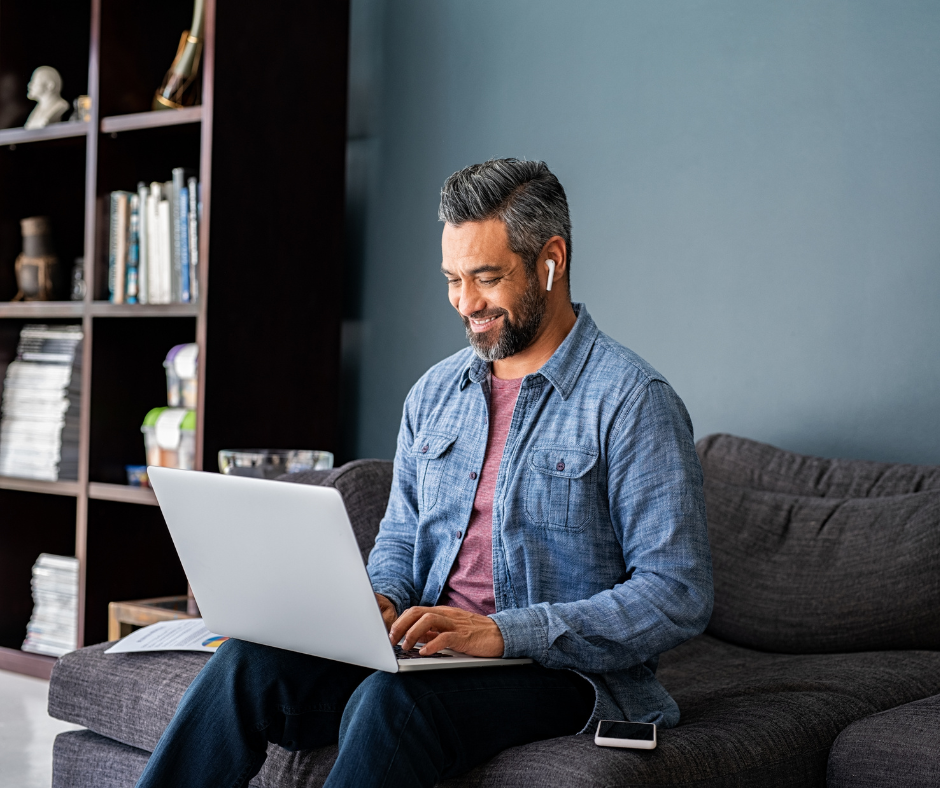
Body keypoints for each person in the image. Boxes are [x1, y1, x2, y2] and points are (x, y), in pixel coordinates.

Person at [136, 158, 713, 788]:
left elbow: (676, 594)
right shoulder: (435, 394)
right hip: (431, 656)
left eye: (487, 278)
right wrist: (378, 602)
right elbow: (403, 541)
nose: (466, 304)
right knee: (246, 664)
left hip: (562, 675)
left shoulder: (632, 400)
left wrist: (502, 632)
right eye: (452, 279)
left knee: (394, 704)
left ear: (552, 259)